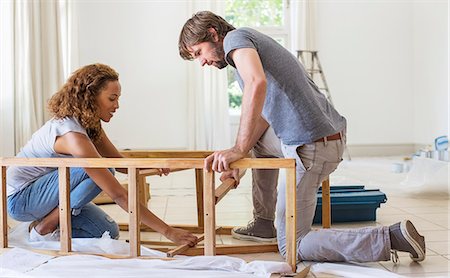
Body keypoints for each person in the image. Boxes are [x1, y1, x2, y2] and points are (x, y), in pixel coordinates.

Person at [178, 11, 425, 263]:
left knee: (293, 246)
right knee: (259, 142)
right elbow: (263, 116)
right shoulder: (247, 42)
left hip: (311, 146)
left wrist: (238, 148)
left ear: (212, 34)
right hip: (322, 138)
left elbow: (256, 82)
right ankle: (264, 223)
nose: (201, 63)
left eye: (198, 52)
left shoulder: (235, 40)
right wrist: (238, 158)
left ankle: (392, 237)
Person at [6, 63, 198, 246]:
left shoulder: (89, 124)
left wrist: (152, 168)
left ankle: (40, 227)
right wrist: (168, 231)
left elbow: (120, 163)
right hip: (21, 200)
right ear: (90, 97)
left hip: (48, 195)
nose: (117, 106)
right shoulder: (72, 136)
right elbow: (118, 194)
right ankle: (44, 228)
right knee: (100, 168)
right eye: (112, 99)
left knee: (106, 231)